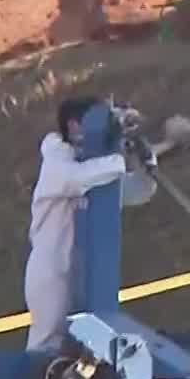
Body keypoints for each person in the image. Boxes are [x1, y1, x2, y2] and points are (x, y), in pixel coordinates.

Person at [24, 96, 131, 357]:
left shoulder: (92, 164)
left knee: (77, 347)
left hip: (79, 270)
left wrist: (146, 160)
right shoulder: (56, 161)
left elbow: (128, 190)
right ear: (74, 126)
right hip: (50, 267)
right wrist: (121, 159)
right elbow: (76, 180)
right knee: (46, 343)